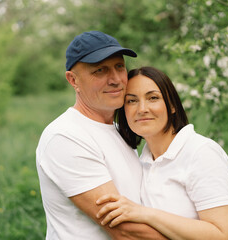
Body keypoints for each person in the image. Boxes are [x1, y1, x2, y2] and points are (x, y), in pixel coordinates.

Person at [36, 31, 168, 239]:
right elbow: (125, 229)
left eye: (119, 66)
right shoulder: (66, 137)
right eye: (100, 70)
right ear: (73, 80)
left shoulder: (120, 130)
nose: (116, 79)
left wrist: (201, 227)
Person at [96, 66, 228, 240]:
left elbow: (225, 236)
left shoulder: (200, 153)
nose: (142, 108)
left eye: (153, 98)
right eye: (132, 101)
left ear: (172, 105)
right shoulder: (141, 162)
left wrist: (145, 214)